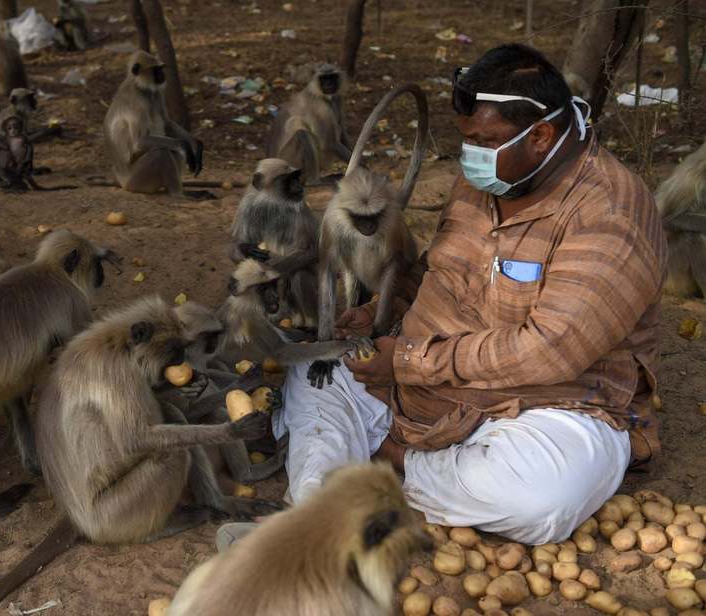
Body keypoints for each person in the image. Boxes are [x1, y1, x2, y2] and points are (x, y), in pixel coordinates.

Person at [240, 43, 666, 548]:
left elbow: (551, 348)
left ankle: (386, 464)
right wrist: (385, 312)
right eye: (467, 140)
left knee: (537, 497)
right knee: (314, 370)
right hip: (419, 388)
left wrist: (407, 362)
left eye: (484, 141)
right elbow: (438, 269)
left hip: (542, 409)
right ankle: (316, 519)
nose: (472, 155)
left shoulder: (609, 213)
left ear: (542, 136)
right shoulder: (490, 180)